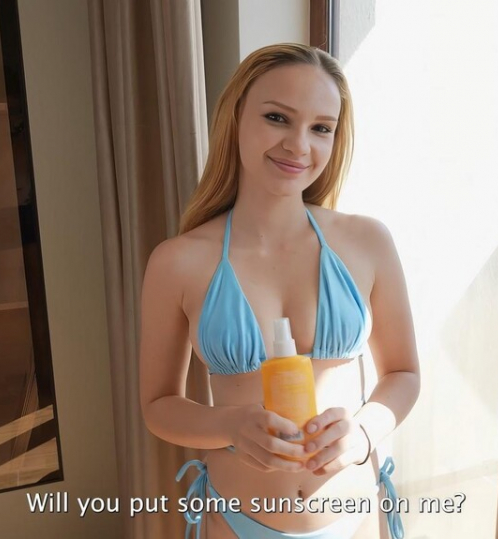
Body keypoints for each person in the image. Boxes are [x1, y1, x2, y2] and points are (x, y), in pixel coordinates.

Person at [139, 42, 420, 539]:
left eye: (321, 128)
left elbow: (403, 374)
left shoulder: (368, 242)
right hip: (237, 522)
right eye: (277, 118)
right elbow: (159, 404)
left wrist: (362, 433)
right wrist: (228, 426)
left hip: (357, 516)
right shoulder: (177, 261)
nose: (298, 145)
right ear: (235, 119)